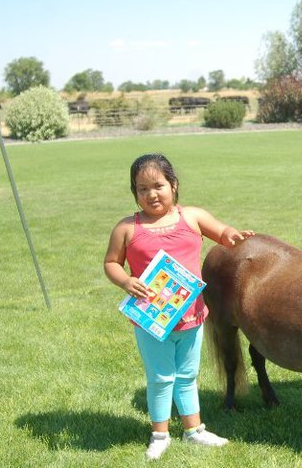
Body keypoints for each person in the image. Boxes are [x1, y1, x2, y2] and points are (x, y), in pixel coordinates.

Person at [104, 153, 255, 460]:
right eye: (142, 188)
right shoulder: (127, 228)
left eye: (158, 185)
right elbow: (111, 263)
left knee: (187, 375)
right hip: (152, 320)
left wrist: (232, 236)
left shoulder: (192, 216)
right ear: (134, 193)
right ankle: (159, 434)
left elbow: (221, 232)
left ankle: (194, 430)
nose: (151, 194)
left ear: (173, 185)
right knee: (160, 377)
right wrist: (125, 282)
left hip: (191, 316)